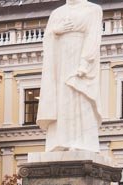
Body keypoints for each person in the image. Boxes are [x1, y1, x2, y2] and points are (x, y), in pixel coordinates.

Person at [38, 0, 103, 153]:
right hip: (60, 61)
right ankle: (60, 141)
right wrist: (55, 31)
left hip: (79, 58)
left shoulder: (93, 9)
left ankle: (83, 142)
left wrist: (85, 63)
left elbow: (93, 36)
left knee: (79, 96)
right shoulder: (57, 13)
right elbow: (47, 38)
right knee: (62, 99)